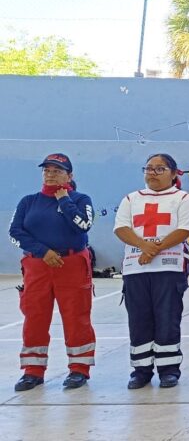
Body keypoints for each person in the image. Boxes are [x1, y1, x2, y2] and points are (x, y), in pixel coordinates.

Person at [9, 153, 96, 391]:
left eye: (57, 171)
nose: (50, 174)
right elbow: (15, 232)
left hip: (72, 265)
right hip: (37, 266)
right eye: (47, 170)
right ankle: (32, 371)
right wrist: (42, 251)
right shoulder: (28, 202)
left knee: (76, 317)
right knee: (34, 317)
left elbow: (83, 225)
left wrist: (64, 201)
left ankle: (79, 369)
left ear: (69, 175)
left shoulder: (80, 199)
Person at [114, 153, 189, 389]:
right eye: (149, 168)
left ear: (173, 174)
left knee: (167, 318)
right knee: (139, 320)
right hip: (135, 268)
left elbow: (185, 229)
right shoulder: (131, 199)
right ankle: (141, 371)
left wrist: (152, 249)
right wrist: (144, 246)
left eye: (160, 169)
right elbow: (121, 228)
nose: (152, 173)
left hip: (169, 268)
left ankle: (169, 370)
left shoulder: (183, 199)